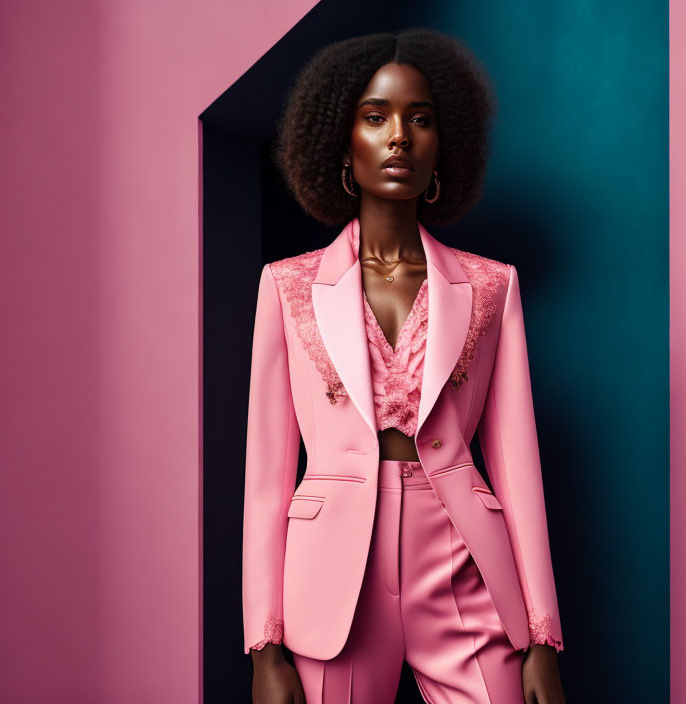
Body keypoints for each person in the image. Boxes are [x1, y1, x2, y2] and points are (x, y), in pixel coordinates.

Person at [243, 28, 566, 704]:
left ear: (444, 145)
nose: (399, 137)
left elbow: (519, 472)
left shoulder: (490, 287)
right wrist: (264, 646)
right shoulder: (287, 286)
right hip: (331, 581)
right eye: (375, 117)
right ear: (341, 140)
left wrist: (542, 636)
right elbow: (267, 480)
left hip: (462, 565)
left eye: (420, 119)